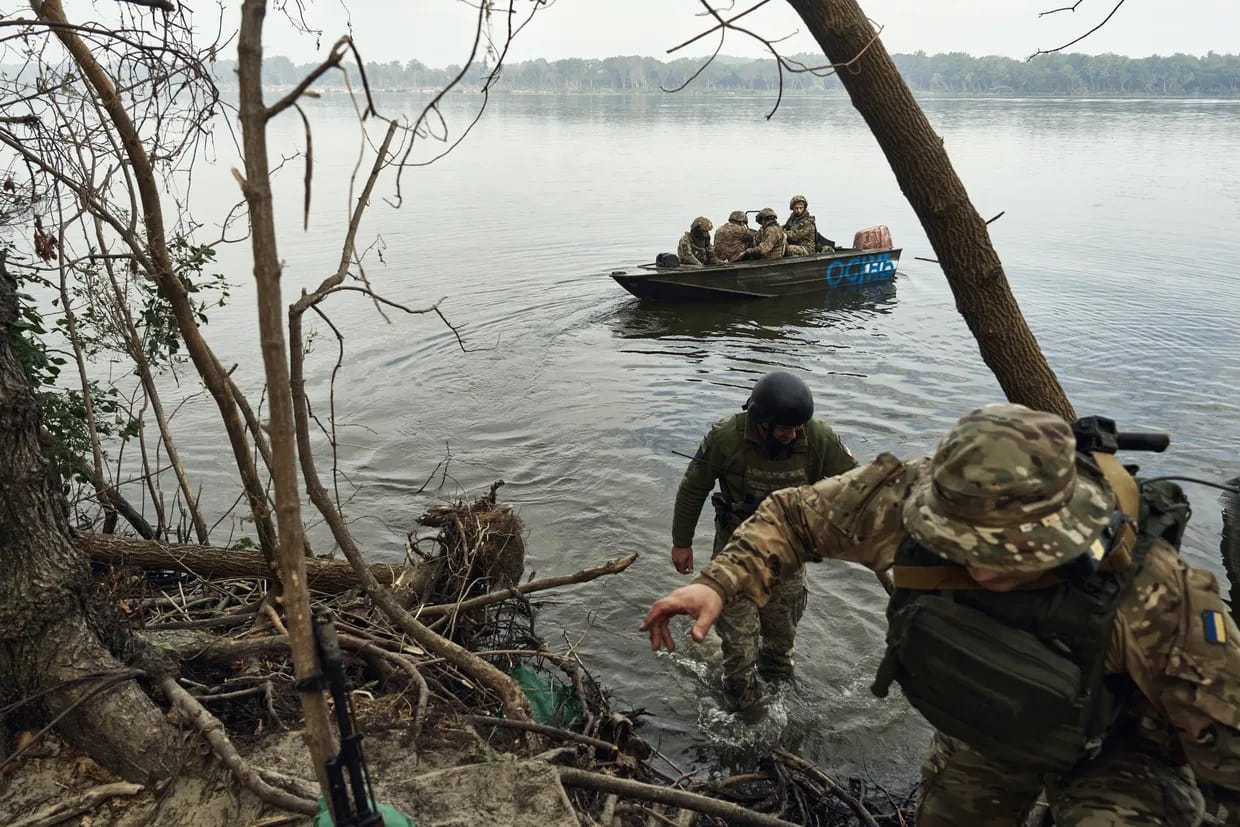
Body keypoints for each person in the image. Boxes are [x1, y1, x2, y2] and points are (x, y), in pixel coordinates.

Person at [643, 403, 1240, 825]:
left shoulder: (1164, 606)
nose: (978, 572)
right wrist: (718, 584)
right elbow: (793, 516)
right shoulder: (907, 500)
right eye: (959, 547)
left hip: (1113, 752)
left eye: (1003, 556)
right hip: (988, 722)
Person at [669, 371, 857, 709]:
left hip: (788, 560)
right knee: (739, 650)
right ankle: (740, 711)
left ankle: (781, 709)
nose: (792, 435)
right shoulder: (725, 437)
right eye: (784, 429)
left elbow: (859, 485)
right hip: (734, 559)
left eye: (797, 428)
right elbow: (693, 489)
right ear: (761, 422)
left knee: (779, 648)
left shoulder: (817, 437)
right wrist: (681, 542)